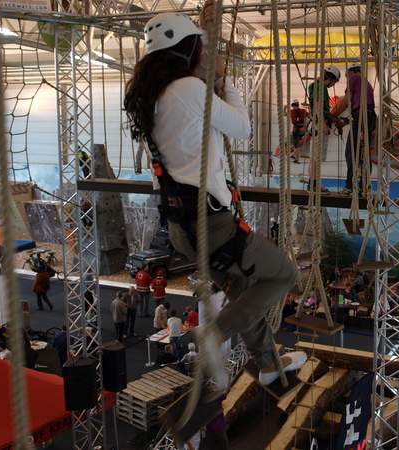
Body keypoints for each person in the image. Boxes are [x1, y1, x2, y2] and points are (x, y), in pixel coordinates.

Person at [124, 8, 304, 393]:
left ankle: (268, 364)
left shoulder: (152, 96)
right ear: (187, 50)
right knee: (282, 274)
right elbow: (241, 126)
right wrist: (223, 79)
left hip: (182, 227)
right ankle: (214, 335)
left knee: (242, 288)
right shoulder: (188, 90)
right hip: (212, 224)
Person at [332, 63, 376, 193]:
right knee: (364, 152)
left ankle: (350, 186)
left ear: (352, 72)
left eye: (347, 76)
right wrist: (345, 121)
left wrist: (331, 115)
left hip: (361, 116)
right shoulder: (366, 84)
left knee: (351, 151)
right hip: (368, 117)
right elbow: (359, 110)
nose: (347, 79)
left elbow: (346, 101)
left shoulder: (355, 78)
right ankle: (364, 185)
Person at [305, 65, 341, 189]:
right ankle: (315, 184)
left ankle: (312, 183)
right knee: (316, 158)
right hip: (319, 124)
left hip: (316, 123)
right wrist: (323, 124)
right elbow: (318, 105)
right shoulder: (321, 87)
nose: (333, 85)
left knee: (314, 157)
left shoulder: (313, 86)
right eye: (334, 82)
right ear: (330, 79)